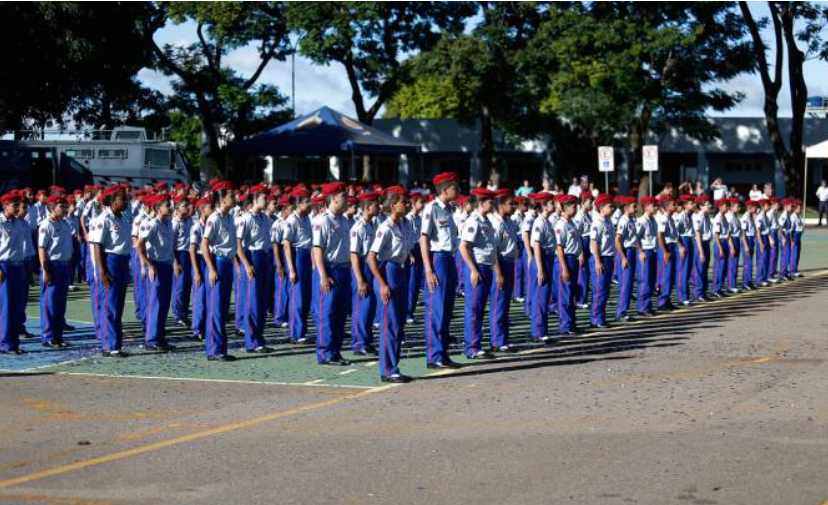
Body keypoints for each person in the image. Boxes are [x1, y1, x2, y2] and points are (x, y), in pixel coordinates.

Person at [420, 172, 461, 369]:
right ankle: (434, 356)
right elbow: (423, 239)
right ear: (444, 190)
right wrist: (429, 270)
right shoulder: (432, 209)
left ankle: (442, 353)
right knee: (436, 309)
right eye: (455, 187)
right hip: (438, 260)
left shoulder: (449, 210)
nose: (458, 189)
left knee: (446, 310)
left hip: (449, 259)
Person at [88, 186, 133, 358]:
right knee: (110, 304)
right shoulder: (103, 219)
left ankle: (116, 344)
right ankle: (109, 345)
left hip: (121, 261)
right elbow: (98, 245)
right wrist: (103, 271)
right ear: (114, 201)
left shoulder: (123, 219)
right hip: (110, 260)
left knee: (118, 305)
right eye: (123, 199)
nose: (126, 202)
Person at [312, 181, 352, 366]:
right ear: (334, 199)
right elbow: (317, 249)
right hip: (329, 269)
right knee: (326, 313)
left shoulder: (344, 220)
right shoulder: (322, 220)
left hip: (344, 269)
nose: (347, 198)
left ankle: (335, 351)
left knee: (340, 313)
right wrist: (322, 275)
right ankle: (325, 353)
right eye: (343, 195)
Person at [459, 188, 502, 359]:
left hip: (486, 266)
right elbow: (464, 247)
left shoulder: (487, 221)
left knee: (480, 309)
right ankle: (472, 347)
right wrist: (473, 270)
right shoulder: (474, 221)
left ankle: (477, 343)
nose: (493, 204)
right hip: (477, 267)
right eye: (490, 201)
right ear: (482, 203)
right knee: (474, 309)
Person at [201, 182, 238, 361]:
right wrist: (211, 269)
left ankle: (220, 348)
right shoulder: (214, 218)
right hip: (218, 262)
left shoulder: (229, 217)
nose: (234, 198)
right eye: (231, 196)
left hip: (228, 262)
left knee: (222, 308)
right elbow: (204, 244)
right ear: (223, 200)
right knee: (216, 308)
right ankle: (215, 350)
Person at [236, 185, 274, 354]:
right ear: (255, 200)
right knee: (253, 301)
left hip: (265, 257)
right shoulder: (246, 219)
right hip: (253, 257)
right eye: (264, 198)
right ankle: (252, 341)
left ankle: (259, 337)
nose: (267, 201)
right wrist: (246, 264)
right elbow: (238, 245)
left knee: (263, 301)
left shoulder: (265, 218)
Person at [136, 195, 176, 352]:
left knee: (164, 304)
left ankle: (160, 337)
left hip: (166, 265)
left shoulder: (168, 224)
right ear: (159, 208)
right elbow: (139, 246)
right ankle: (151, 339)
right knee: (155, 303)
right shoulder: (151, 224)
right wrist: (149, 265)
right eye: (167, 205)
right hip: (157, 265)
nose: (170, 207)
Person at [350, 191, 380, 355]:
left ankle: (367, 340)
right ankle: (359, 343)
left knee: (371, 307)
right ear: (367, 208)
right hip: (362, 267)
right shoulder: (358, 228)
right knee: (362, 306)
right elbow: (354, 255)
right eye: (375, 205)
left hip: (372, 265)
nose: (379, 207)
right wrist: (360, 279)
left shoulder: (374, 224)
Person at [282, 188, 313, 345]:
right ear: (299, 203)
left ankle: (302, 330)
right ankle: (296, 333)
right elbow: (287, 244)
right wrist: (291, 269)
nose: (310, 204)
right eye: (307, 201)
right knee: (297, 297)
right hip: (297, 256)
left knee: (306, 297)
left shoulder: (307, 219)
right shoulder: (292, 220)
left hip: (307, 256)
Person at [490, 188, 518, 352]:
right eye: (510, 203)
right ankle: (497, 340)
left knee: (505, 304)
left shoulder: (509, 221)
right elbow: (493, 250)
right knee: (498, 303)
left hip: (509, 262)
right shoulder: (496, 223)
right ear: (500, 205)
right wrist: (498, 272)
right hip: (500, 263)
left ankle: (503, 339)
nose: (513, 206)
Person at [554, 195, 583, 336]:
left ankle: (571, 323)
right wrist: (564, 267)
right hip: (565, 259)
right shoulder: (561, 225)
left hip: (573, 259)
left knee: (571, 293)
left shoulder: (572, 223)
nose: (576, 208)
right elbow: (559, 247)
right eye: (573, 206)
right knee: (565, 294)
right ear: (565, 208)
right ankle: (565, 325)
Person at [529, 192, 556, 342]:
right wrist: (540, 269)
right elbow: (537, 246)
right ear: (544, 206)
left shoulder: (547, 221)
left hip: (548, 258)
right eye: (551, 203)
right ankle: (538, 332)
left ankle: (542, 330)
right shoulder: (539, 223)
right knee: (540, 297)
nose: (554, 205)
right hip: (542, 259)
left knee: (544, 297)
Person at [588, 194, 616, 328]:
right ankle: (595, 319)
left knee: (605, 290)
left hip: (609, 258)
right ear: (602, 208)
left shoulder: (608, 221)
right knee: (599, 290)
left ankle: (601, 317)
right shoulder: (597, 223)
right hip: (600, 258)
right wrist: (598, 261)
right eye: (610, 206)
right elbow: (594, 244)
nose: (613, 208)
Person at [189, 197, 211, 341]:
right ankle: (197, 329)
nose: (213, 209)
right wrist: (196, 272)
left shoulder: (211, 224)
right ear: (203, 210)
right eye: (210, 206)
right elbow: (192, 250)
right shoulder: (197, 227)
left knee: (210, 296)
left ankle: (206, 327)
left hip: (209, 259)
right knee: (200, 297)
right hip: (200, 260)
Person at [614, 196, 638, 322]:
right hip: (626, 252)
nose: (636, 208)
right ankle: (620, 312)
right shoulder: (623, 220)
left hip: (632, 251)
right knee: (625, 283)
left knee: (629, 284)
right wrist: (623, 257)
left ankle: (624, 310)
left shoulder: (631, 220)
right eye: (634, 206)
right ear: (627, 207)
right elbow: (618, 241)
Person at [171, 195, 194, 327]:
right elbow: (171, 245)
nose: (189, 208)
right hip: (179, 254)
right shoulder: (175, 223)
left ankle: (184, 311)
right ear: (178, 209)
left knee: (187, 286)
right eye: (185, 206)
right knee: (179, 287)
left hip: (188, 253)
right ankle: (178, 314)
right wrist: (175, 262)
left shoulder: (189, 220)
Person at [636, 197, 658, 315]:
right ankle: (642, 307)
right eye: (653, 205)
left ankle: (647, 305)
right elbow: (636, 237)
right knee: (644, 280)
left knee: (651, 280)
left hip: (653, 251)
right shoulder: (642, 221)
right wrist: (640, 251)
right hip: (645, 251)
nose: (655, 207)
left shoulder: (653, 220)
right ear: (646, 207)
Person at [405, 194, 425, 324]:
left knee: (417, 282)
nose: (422, 205)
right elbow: (406, 237)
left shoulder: (420, 219)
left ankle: (411, 310)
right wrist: (409, 253)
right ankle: (407, 312)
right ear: (413, 204)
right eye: (420, 202)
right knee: (411, 283)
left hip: (419, 249)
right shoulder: (408, 219)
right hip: (411, 251)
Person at [673, 195, 695, 306]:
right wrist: (680, 246)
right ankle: (682, 297)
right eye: (691, 203)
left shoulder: (689, 216)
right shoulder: (680, 217)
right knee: (683, 270)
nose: (693, 205)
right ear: (685, 205)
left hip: (689, 241)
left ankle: (685, 295)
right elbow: (674, 233)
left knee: (688, 270)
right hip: (683, 241)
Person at [692, 196, 713, 301]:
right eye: (706, 204)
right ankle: (698, 292)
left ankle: (703, 291)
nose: (709, 206)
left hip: (706, 243)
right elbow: (698, 234)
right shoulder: (699, 217)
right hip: (700, 244)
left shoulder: (707, 216)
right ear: (701, 206)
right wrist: (701, 252)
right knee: (699, 269)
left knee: (704, 269)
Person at [711, 198, 731, 297]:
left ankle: (720, 288)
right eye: (726, 206)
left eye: (728, 206)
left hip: (725, 242)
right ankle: (715, 289)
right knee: (719, 267)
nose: (728, 208)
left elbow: (727, 233)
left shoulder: (725, 218)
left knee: (724, 268)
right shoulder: (718, 218)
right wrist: (720, 248)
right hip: (720, 243)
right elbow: (716, 234)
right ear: (720, 207)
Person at [726, 198, 743, 293]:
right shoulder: (729, 217)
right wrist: (732, 246)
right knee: (732, 264)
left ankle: (733, 284)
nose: (739, 208)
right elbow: (728, 233)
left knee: (735, 264)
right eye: (737, 206)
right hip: (732, 240)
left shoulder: (735, 216)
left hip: (737, 239)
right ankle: (731, 285)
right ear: (731, 207)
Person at [742, 200, 759, 290]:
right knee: (747, 263)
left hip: (751, 239)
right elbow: (743, 233)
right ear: (750, 208)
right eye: (755, 207)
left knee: (750, 262)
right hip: (747, 239)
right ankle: (746, 283)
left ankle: (749, 281)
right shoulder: (745, 217)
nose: (756, 208)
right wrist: (746, 245)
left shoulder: (751, 217)